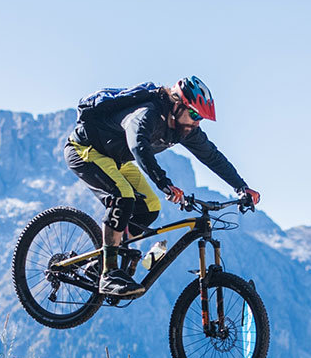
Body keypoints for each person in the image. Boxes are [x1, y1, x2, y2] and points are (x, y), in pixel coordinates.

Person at [64, 75, 261, 295]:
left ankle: (103, 260)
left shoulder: (185, 129)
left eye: (201, 118)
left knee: (150, 207)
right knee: (123, 197)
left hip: (116, 160)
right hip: (86, 151)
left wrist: (241, 187)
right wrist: (164, 183)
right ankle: (109, 274)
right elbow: (139, 146)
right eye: (194, 114)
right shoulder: (147, 113)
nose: (197, 122)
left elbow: (212, 157)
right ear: (177, 104)